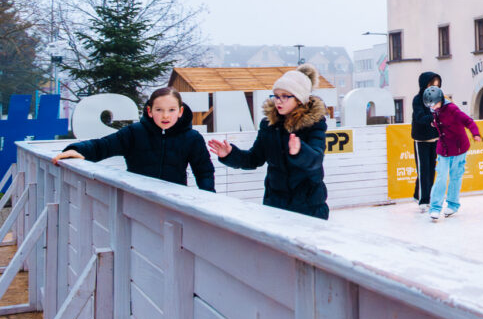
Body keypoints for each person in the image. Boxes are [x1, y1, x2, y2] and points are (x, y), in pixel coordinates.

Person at [207, 64, 330, 219]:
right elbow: (254, 159)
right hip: (275, 206)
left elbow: (316, 160)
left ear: (299, 99)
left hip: (309, 207)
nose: (279, 101)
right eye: (276, 96)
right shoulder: (269, 125)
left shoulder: (314, 124)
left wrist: (300, 151)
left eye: (285, 96)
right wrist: (230, 154)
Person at [53, 86, 215, 192]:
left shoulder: (192, 138)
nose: (165, 115)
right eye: (159, 110)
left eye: (171, 110)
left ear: (180, 112)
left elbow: (204, 173)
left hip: (174, 202)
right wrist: (75, 150)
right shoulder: (134, 132)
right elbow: (102, 146)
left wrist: (208, 200)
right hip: (136, 200)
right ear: (150, 111)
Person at [424, 85, 482, 222]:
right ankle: (435, 208)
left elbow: (468, 121)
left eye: (434, 105)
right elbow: (441, 122)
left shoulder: (452, 109)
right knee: (441, 178)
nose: (432, 108)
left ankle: (453, 205)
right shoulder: (435, 109)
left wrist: (475, 134)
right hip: (444, 148)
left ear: (440, 100)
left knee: (455, 176)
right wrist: (434, 123)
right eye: (430, 106)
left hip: (458, 148)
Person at [410, 71, 441, 211]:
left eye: (437, 84)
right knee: (423, 170)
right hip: (421, 139)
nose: (434, 87)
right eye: (432, 84)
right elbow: (419, 117)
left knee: (431, 169)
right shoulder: (418, 99)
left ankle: (421, 195)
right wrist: (433, 117)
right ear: (425, 84)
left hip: (435, 138)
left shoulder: (438, 98)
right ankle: (423, 200)